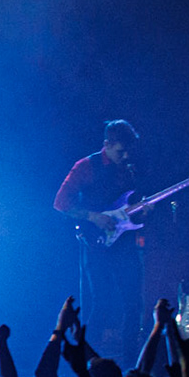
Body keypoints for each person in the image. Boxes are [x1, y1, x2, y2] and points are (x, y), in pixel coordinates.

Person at [53, 119, 142, 362]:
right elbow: (61, 203)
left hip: (124, 243)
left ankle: (130, 362)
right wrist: (93, 217)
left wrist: (141, 210)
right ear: (106, 145)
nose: (124, 156)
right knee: (100, 302)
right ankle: (89, 361)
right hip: (96, 244)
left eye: (127, 151)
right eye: (120, 151)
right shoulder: (86, 166)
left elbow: (128, 205)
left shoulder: (128, 169)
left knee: (134, 301)